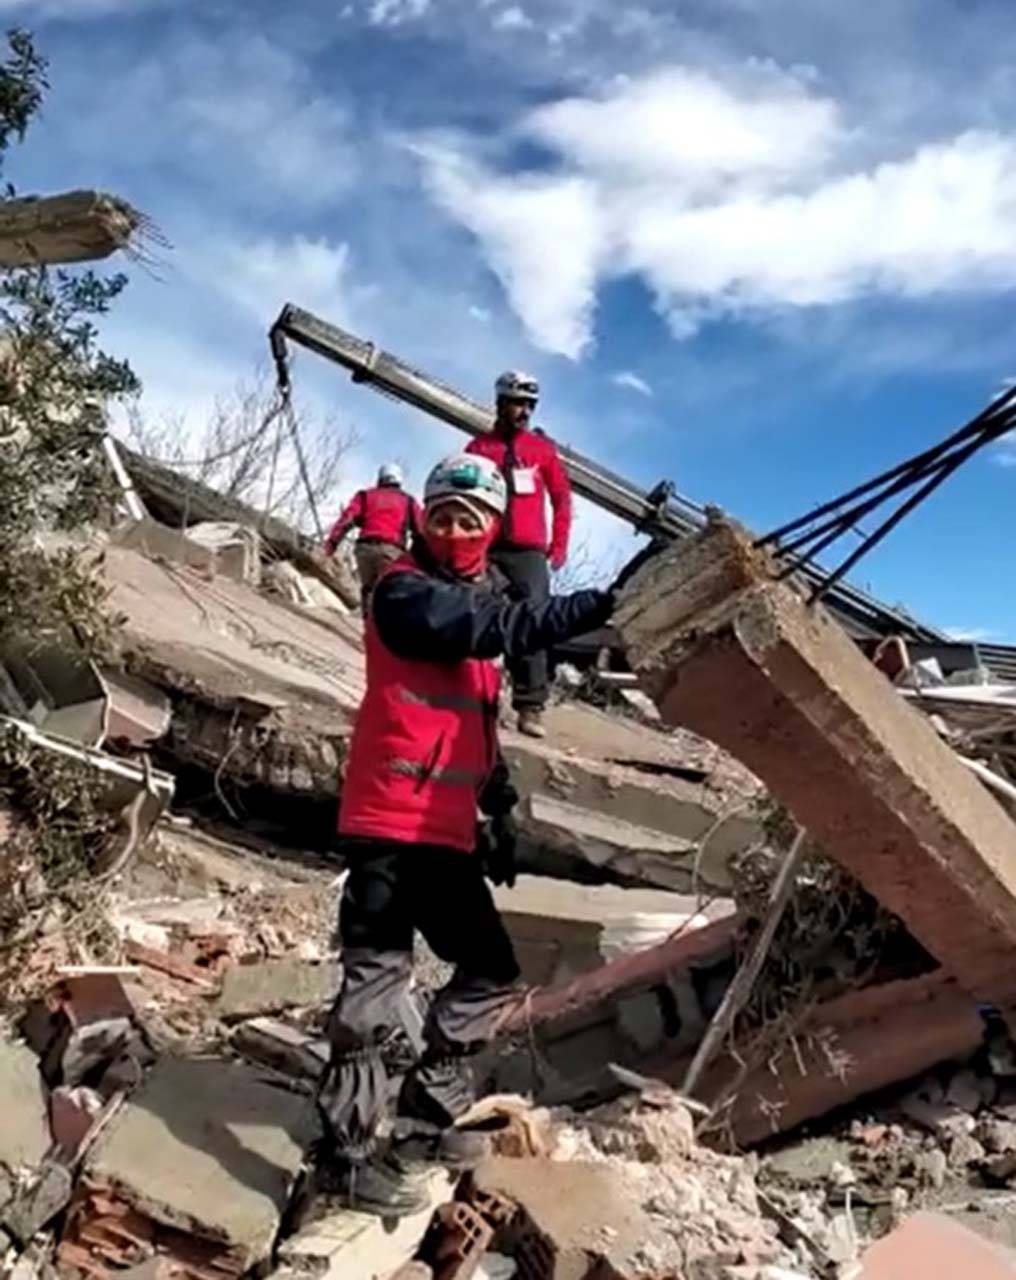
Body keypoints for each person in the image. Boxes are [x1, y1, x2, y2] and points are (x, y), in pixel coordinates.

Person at [317, 452, 614, 1217]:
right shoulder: (404, 595)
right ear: (423, 519)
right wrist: (593, 604)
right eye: (443, 517)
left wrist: (500, 812)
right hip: (388, 827)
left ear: (489, 530)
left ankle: (421, 1118)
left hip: (442, 834)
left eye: (470, 520)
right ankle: (346, 1160)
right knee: (374, 992)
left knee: (491, 974)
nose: (455, 531)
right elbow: (496, 628)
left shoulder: (471, 614)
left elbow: (477, 733)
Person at [465, 372, 572, 740]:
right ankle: (469, 695)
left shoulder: (542, 450)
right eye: (517, 403)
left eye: (529, 405)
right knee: (472, 613)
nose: (524, 411)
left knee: (533, 625)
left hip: (528, 554)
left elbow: (561, 499)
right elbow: (467, 499)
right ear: (500, 404)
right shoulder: (479, 449)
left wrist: (558, 546)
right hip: (488, 550)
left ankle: (530, 708)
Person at [323, 463, 423, 611]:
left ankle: (367, 625)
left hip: (365, 550)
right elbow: (421, 530)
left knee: (368, 590)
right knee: (389, 592)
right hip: (392, 551)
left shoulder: (365, 496)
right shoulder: (408, 502)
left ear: (380, 478)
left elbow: (347, 519)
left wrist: (332, 543)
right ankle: (380, 629)